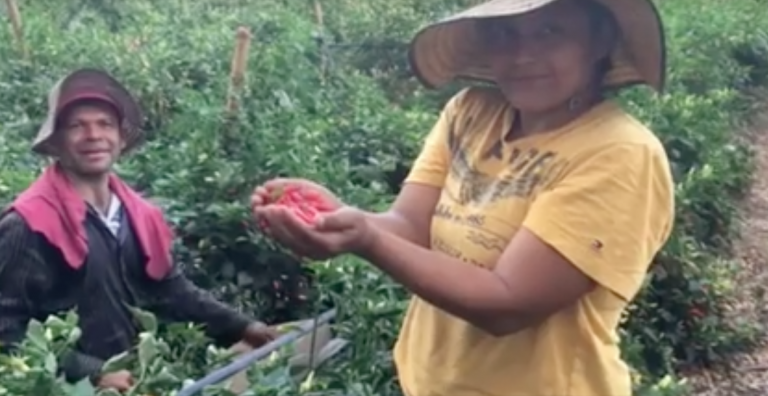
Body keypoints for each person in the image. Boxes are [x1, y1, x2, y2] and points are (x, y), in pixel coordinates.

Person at [250, 0, 674, 395]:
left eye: (549, 31)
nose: (523, 54)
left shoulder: (619, 153)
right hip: (430, 381)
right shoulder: (471, 112)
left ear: (599, 40)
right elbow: (410, 228)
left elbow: (508, 303)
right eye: (505, 34)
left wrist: (365, 240)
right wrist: (338, 217)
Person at [0, 68, 278, 392]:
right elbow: (6, 329)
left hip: (130, 381)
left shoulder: (137, 214)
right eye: (77, 125)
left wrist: (243, 326)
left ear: (120, 138)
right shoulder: (28, 224)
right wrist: (91, 373)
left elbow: (171, 290)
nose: (93, 135)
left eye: (105, 124)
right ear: (57, 142)